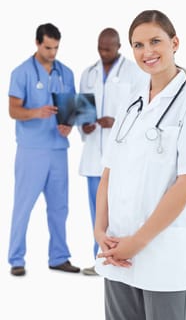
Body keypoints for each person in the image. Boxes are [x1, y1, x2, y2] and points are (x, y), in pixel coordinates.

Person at [94, 10, 186, 319]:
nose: (147, 52)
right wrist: (99, 231)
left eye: (155, 41)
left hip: (164, 256)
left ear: (174, 42)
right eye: (138, 45)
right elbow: (108, 172)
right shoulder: (130, 102)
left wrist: (137, 242)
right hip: (117, 251)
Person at [8, 23, 80, 276]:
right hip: (31, 149)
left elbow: (71, 108)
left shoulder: (66, 73)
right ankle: (17, 259)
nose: (52, 53)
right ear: (37, 43)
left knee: (60, 207)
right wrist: (36, 112)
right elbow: (13, 110)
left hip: (58, 148)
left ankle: (59, 257)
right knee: (23, 205)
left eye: (56, 48)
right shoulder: (22, 72)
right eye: (48, 47)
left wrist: (68, 125)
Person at [78, 27, 149, 276]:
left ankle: (122, 256)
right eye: (99, 47)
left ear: (119, 47)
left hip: (121, 157)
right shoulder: (88, 73)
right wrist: (83, 125)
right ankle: (98, 259)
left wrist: (116, 122)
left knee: (119, 212)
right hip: (92, 155)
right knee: (95, 214)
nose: (103, 52)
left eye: (107, 48)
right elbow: (82, 108)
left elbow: (142, 111)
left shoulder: (134, 73)